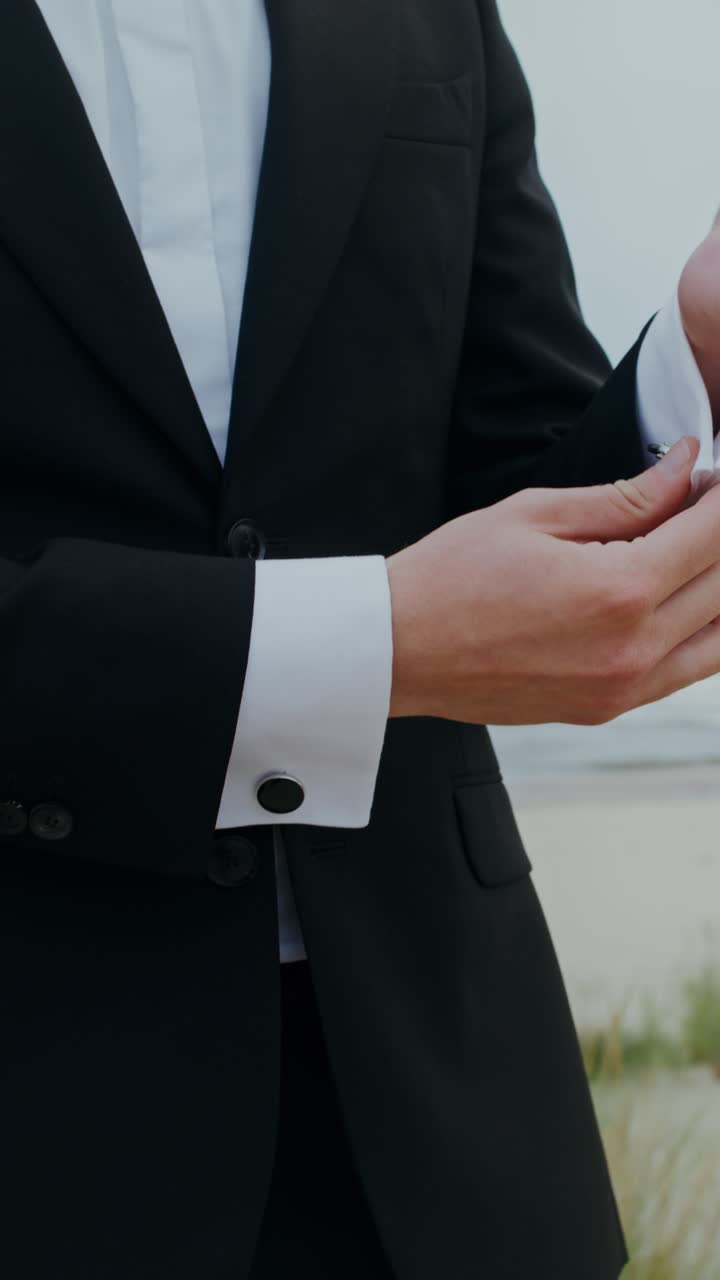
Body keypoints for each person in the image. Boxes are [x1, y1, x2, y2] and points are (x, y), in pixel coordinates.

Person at [2, 2, 719, 1277]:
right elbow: (426, 614)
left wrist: (699, 376)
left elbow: (521, 479)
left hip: (451, 1134)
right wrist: (371, 642)